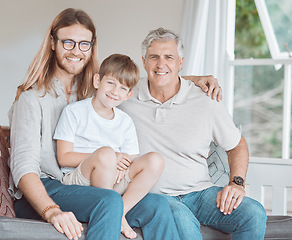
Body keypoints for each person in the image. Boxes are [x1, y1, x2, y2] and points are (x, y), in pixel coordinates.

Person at [8, 8, 220, 240]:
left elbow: (129, 83)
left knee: (158, 205)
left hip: (85, 186)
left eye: (84, 44)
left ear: (91, 47)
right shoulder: (31, 99)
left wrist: (193, 80)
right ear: (53, 43)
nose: (76, 51)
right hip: (46, 189)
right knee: (108, 200)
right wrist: (51, 211)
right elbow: (24, 168)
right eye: (68, 42)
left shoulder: (91, 90)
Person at [118, 27, 267, 240]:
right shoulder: (125, 96)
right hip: (153, 196)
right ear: (144, 62)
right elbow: (100, 96)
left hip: (200, 194)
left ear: (180, 62)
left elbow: (237, 145)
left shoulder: (205, 100)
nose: (161, 64)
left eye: (169, 57)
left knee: (254, 213)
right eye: (154, 57)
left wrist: (236, 182)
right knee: (183, 223)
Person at [54, 53, 165, 239]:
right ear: (97, 81)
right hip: (79, 179)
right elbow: (63, 157)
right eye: (111, 83)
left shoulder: (125, 121)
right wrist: (110, 156)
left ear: (128, 94)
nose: (115, 91)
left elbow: (131, 157)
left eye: (122, 88)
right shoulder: (74, 112)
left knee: (155, 160)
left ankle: (120, 212)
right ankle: (110, 209)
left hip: (112, 179)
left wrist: (121, 163)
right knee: (106, 153)